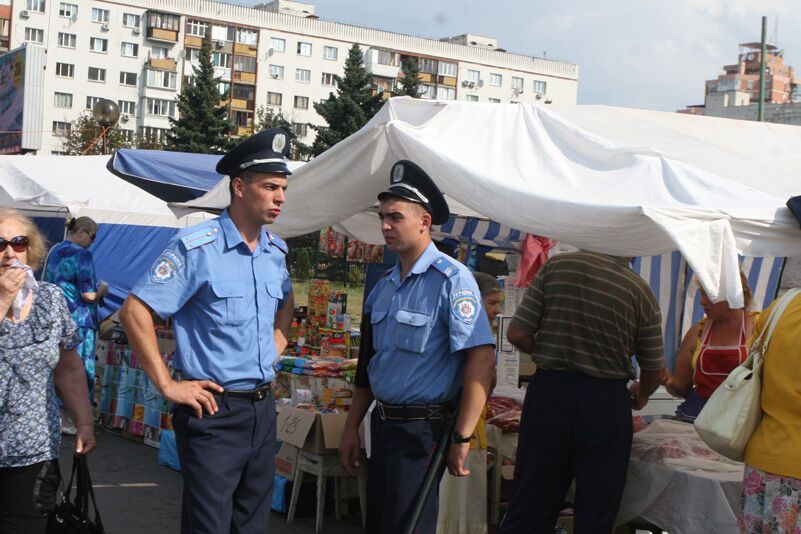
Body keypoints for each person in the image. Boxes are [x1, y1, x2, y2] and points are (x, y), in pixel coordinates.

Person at [119, 129, 295, 534]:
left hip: (262, 409)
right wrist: (168, 386)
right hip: (214, 411)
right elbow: (134, 312)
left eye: (283, 188)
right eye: (270, 187)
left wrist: (278, 339)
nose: (280, 197)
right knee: (209, 527)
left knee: (252, 526)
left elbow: (286, 302)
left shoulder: (275, 251)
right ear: (238, 187)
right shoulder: (196, 246)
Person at [339, 160, 497, 534]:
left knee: (408, 527)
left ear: (424, 222)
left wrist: (462, 436)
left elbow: (481, 359)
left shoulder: (452, 280)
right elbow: (368, 366)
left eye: (395, 217)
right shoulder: (384, 286)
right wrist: (351, 427)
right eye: (382, 217)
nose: (385, 226)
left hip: (423, 431)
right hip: (383, 426)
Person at [500, 251, 665, 534]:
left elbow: (516, 334)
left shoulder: (556, 267)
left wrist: (550, 350)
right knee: (596, 512)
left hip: (550, 394)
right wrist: (643, 392)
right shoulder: (639, 290)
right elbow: (654, 370)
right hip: (605, 403)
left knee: (531, 505)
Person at [0, 210, 96, 534]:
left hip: (33, 451)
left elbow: (68, 368)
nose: (10, 252)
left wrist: (84, 423)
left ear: (32, 249)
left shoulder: (50, 299)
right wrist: (2, 299)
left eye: (18, 242)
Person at [438, 271, 502, 534]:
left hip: (473, 432)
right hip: (457, 430)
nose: (497, 311)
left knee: (469, 499)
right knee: (451, 499)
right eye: (492, 303)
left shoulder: (483, 335)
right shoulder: (465, 336)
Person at [664, 271, 758, 422]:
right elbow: (682, 387)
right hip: (696, 416)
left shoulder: (759, 330)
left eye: (710, 295)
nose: (702, 302)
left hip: (736, 422)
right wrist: (669, 381)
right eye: (702, 294)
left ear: (733, 295)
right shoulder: (698, 332)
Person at [43, 216, 108, 433]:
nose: (93, 241)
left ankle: (59, 416)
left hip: (55, 319)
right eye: (93, 236)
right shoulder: (82, 255)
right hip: (79, 321)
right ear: (81, 231)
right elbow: (88, 295)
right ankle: (75, 419)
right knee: (80, 370)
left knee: (56, 368)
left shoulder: (55, 251)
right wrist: (102, 291)